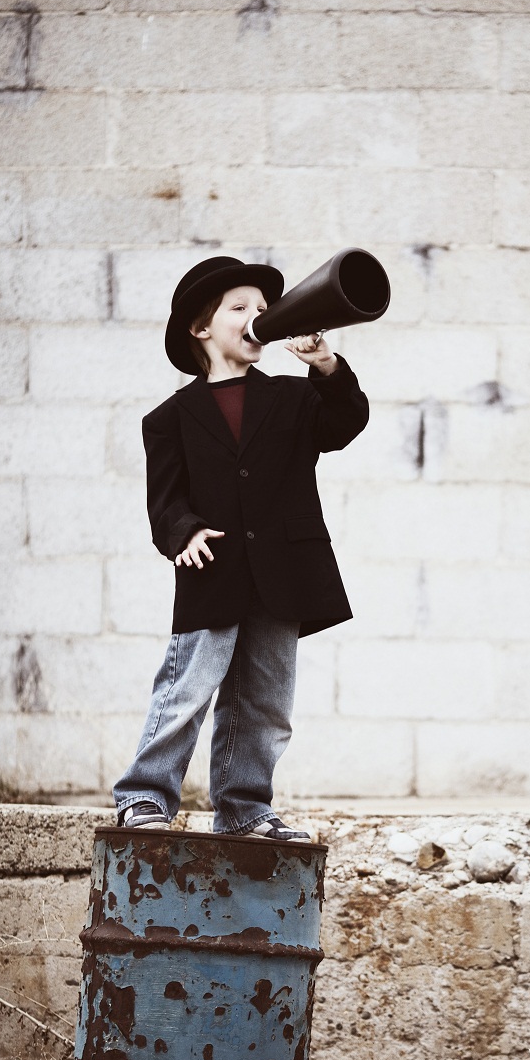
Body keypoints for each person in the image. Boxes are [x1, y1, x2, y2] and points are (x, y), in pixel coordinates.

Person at [112, 255, 369, 839]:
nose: (258, 316)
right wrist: (185, 532)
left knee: (266, 705)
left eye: (264, 309)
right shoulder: (169, 419)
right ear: (201, 329)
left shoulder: (294, 399)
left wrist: (325, 364)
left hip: (284, 574)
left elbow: (344, 423)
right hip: (214, 572)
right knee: (186, 692)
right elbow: (166, 503)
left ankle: (245, 808)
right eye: (241, 307)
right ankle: (145, 797)